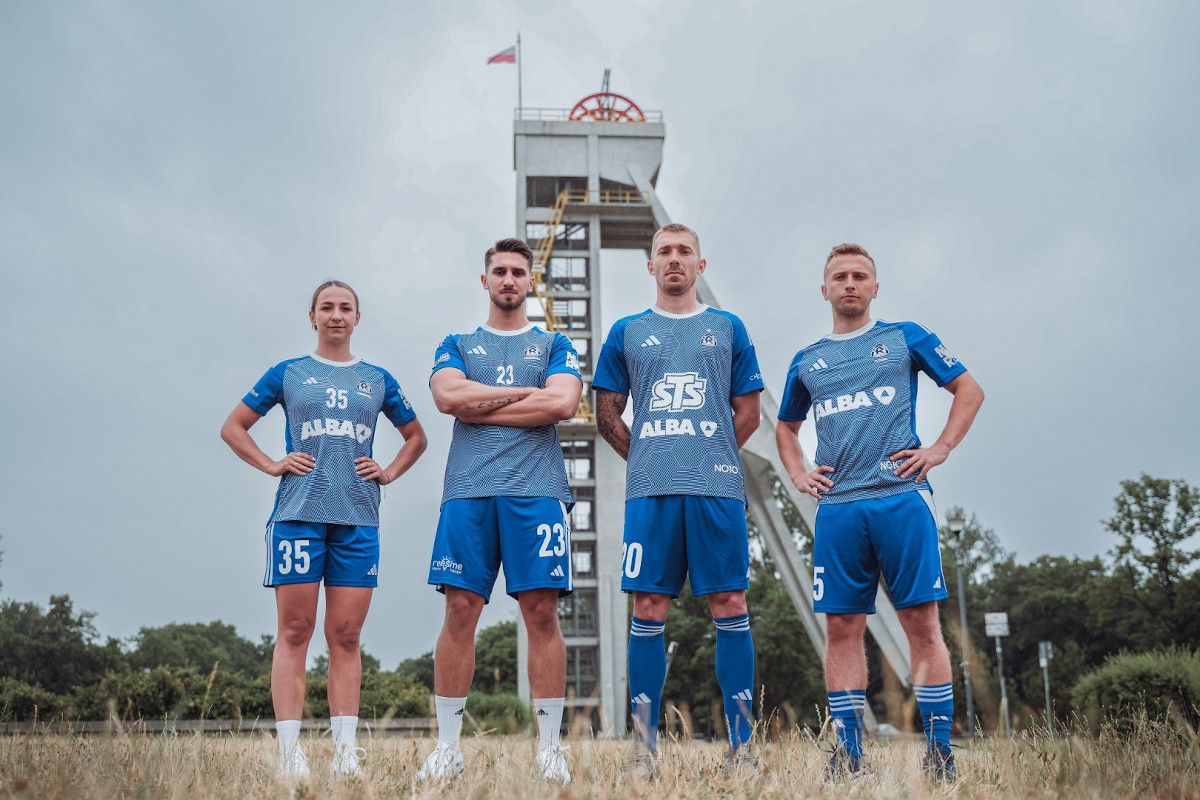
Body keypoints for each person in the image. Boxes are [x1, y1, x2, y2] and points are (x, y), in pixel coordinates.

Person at [774, 243, 985, 782]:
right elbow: (785, 428)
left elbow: (969, 390)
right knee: (842, 627)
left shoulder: (904, 336)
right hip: (839, 508)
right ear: (824, 290)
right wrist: (798, 473)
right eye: (839, 277)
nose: (849, 284)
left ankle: (940, 754)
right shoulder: (807, 359)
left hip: (900, 498)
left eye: (859, 276)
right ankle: (848, 755)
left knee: (922, 623)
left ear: (875, 286)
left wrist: (938, 450)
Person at [220, 280, 427, 780]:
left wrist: (390, 471)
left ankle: (344, 752)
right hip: (298, 515)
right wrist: (272, 464)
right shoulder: (289, 373)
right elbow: (233, 427)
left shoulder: (376, 379)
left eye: (346, 308)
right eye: (327, 308)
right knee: (295, 630)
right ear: (311, 316)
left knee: (347, 635)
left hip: (358, 517)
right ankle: (291, 753)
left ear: (358, 318)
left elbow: (416, 437)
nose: (337, 315)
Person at [592, 223, 764, 775]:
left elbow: (749, 412)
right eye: (663, 252)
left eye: (683, 252)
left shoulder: (728, 327)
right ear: (649, 266)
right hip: (651, 492)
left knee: (731, 606)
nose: (673, 260)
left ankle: (742, 749)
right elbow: (607, 414)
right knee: (647, 609)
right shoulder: (626, 331)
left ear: (700, 264)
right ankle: (643, 751)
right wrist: (649, 457)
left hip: (716, 489)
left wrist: (707, 452)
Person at [417, 237, 583, 786]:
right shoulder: (457, 343)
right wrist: (520, 399)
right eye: (499, 271)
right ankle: (447, 749)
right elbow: (446, 399)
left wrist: (479, 403)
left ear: (530, 282)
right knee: (460, 611)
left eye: (518, 272)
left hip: (537, 493)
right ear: (484, 281)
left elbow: (561, 403)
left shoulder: (555, 343)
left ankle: (550, 749)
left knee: (541, 613)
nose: (509, 279)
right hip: (468, 491)